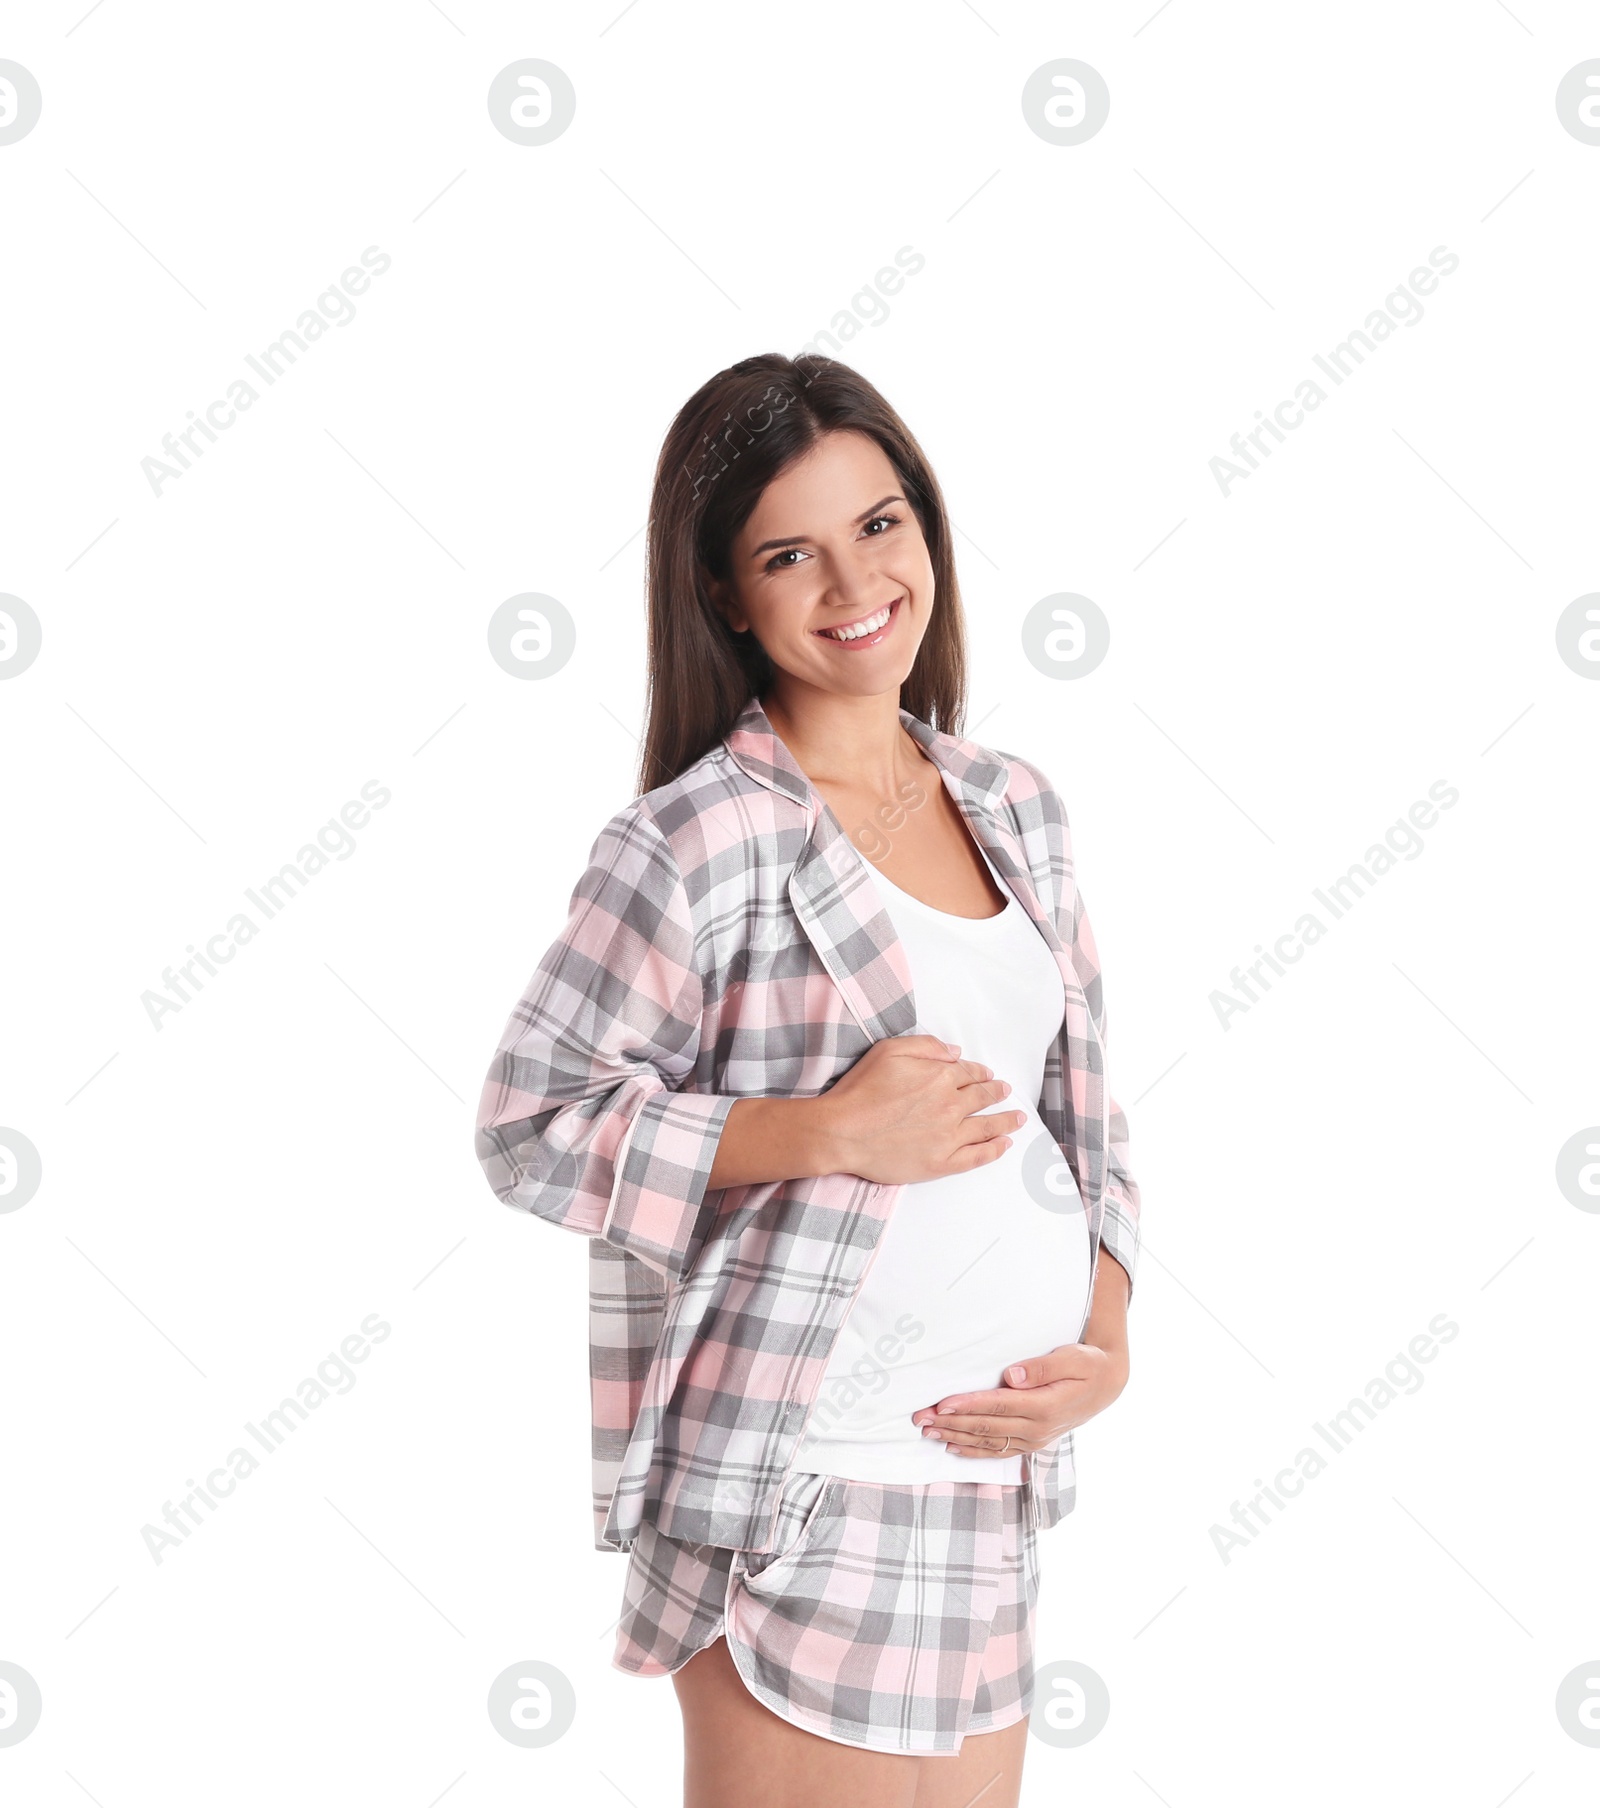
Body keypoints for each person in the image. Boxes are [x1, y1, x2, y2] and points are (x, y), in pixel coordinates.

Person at [474, 353, 1142, 1808]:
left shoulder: (1015, 805)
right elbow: (532, 1126)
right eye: (792, 552)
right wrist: (825, 1130)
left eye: (881, 525)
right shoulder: (693, 841)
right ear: (725, 594)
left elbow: (1088, 1115)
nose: (855, 580)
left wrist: (1107, 1327)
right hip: (802, 1472)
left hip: (990, 1478)